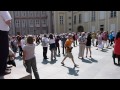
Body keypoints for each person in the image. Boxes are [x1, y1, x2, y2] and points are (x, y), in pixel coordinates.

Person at [0, 11, 12, 76]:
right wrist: (10, 22)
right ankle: (2, 70)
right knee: (4, 51)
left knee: (2, 51)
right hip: (2, 31)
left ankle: (4, 67)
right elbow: (8, 21)